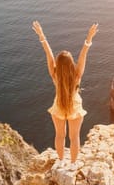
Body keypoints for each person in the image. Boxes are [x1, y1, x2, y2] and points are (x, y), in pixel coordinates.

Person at [32, 20, 98, 164]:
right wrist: (89, 38)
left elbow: (48, 54)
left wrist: (42, 35)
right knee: (74, 137)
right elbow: (83, 55)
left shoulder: (55, 74)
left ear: (59, 64)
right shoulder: (76, 75)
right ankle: (73, 164)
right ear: (70, 64)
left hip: (59, 105)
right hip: (75, 106)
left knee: (60, 135)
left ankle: (61, 161)